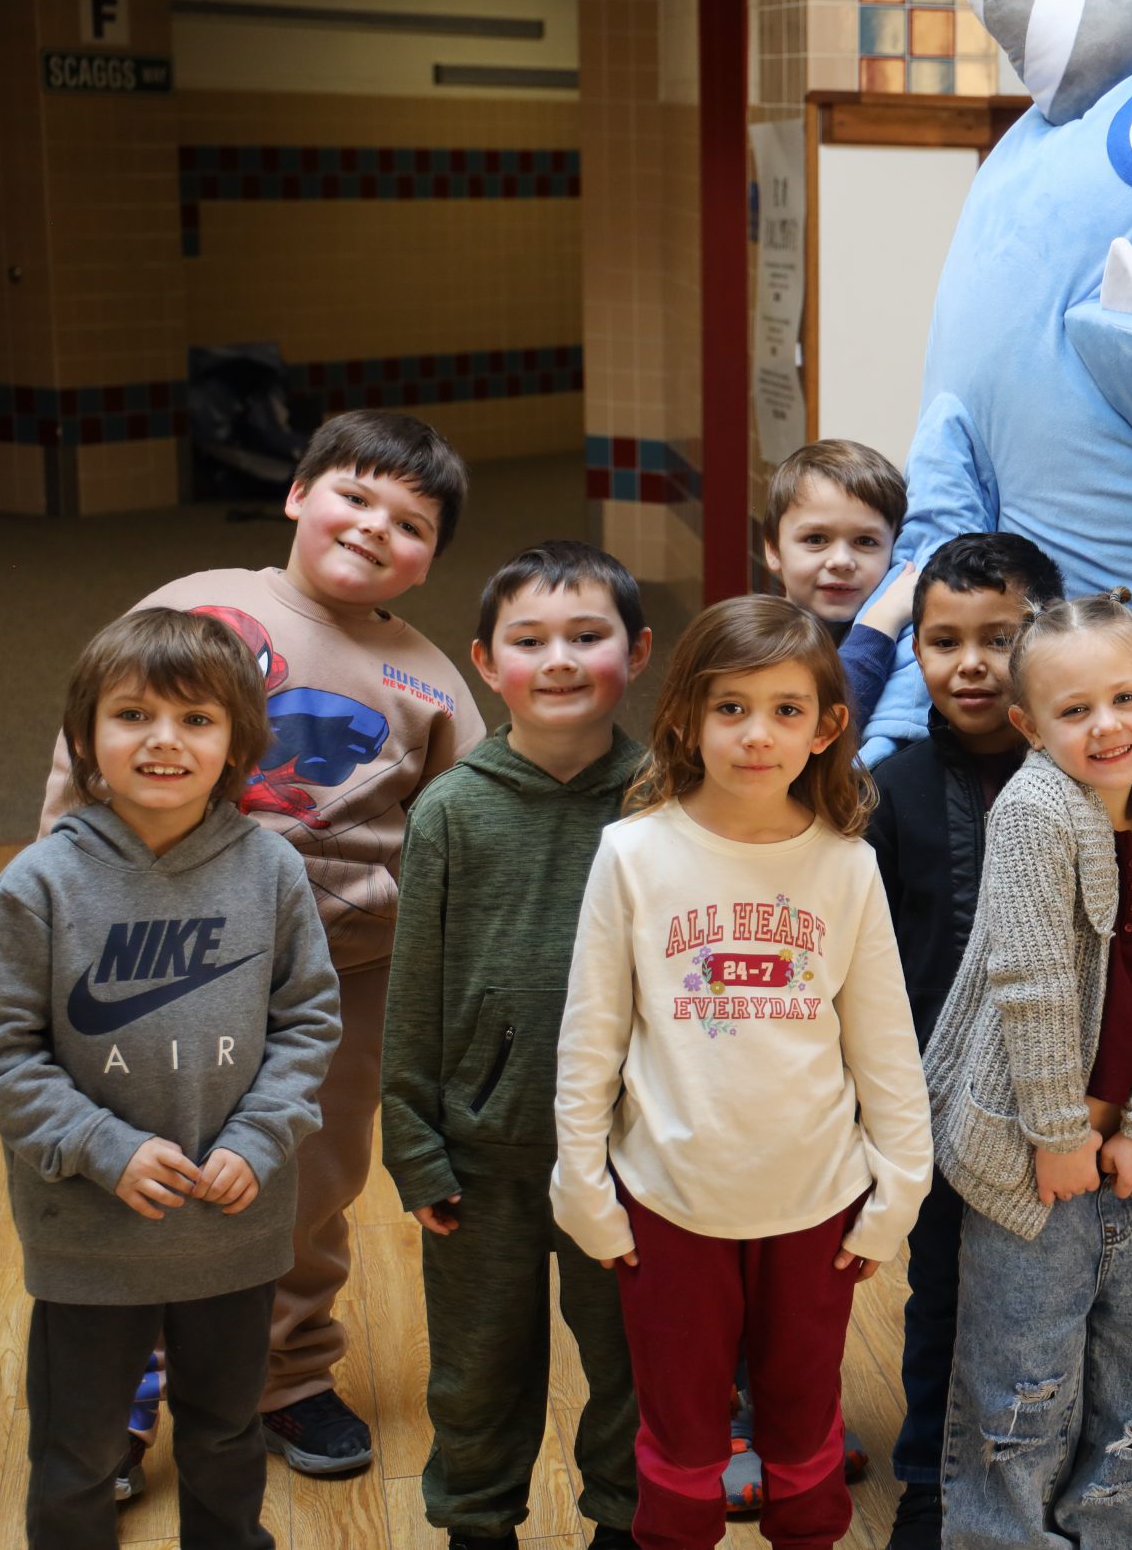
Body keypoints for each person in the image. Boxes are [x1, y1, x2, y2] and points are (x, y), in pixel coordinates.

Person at [39, 408, 480, 1480]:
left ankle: (285, 1371)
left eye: (410, 522)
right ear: (296, 494)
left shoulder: (430, 683)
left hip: (342, 976)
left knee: (309, 1175)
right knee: (140, 1163)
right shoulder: (198, 607)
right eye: (354, 496)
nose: (374, 528)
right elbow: (90, 747)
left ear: (429, 559)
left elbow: (462, 836)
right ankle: (128, 1383)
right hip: (157, 957)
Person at [552, 595, 932, 1550]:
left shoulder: (847, 866)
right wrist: (583, 1186)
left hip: (817, 1206)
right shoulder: (632, 853)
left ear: (826, 727)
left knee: (806, 1430)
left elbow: (885, 1046)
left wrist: (899, 1190)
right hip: (667, 1201)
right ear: (685, 716)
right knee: (680, 1441)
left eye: (785, 709)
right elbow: (591, 1037)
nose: (757, 734)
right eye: (730, 707)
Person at [0, 609, 340, 1548]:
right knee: (79, 1452)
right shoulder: (39, 884)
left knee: (225, 1437)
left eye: (196, 718)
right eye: (133, 714)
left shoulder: (272, 870)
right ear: (85, 738)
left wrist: (260, 1136)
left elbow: (307, 1022)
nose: (164, 739)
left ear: (237, 744)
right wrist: (104, 1147)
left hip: (233, 1227)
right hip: (91, 1234)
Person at [923, 589, 1132, 1550]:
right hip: (1028, 1149)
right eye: (1074, 709)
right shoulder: (1032, 809)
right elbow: (1033, 983)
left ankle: (1124, 1535)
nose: (1106, 726)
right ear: (1027, 725)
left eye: (1125, 698)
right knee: (1023, 1377)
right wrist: (1058, 1133)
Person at [380, 541, 656, 1550]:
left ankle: (625, 1524)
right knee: (478, 1368)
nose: (560, 660)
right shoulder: (452, 809)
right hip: (481, 1160)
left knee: (633, 1365)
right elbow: (415, 991)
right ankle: (477, 1524)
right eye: (529, 640)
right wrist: (413, 1144)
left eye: (587, 636)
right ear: (485, 661)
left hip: (632, 1157)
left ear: (638, 650)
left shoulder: (667, 799)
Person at [863, 532, 1066, 1550]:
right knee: (941, 1292)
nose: (973, 663)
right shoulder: (891, 790)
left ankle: (1045, 1485)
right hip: (937, 1102)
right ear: (917, 651)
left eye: (1002, 636)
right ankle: (931, 1485)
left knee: (1059, 1300)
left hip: (1068, 1103)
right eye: (945, 641)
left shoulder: (1090, 778)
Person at [762, 438, 917, 734]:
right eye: (816, 539)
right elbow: (818, 734)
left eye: (865, 541)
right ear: (773, 549)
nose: (842, 561)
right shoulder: (751, 646)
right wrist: (881, 623)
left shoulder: (908, 646)